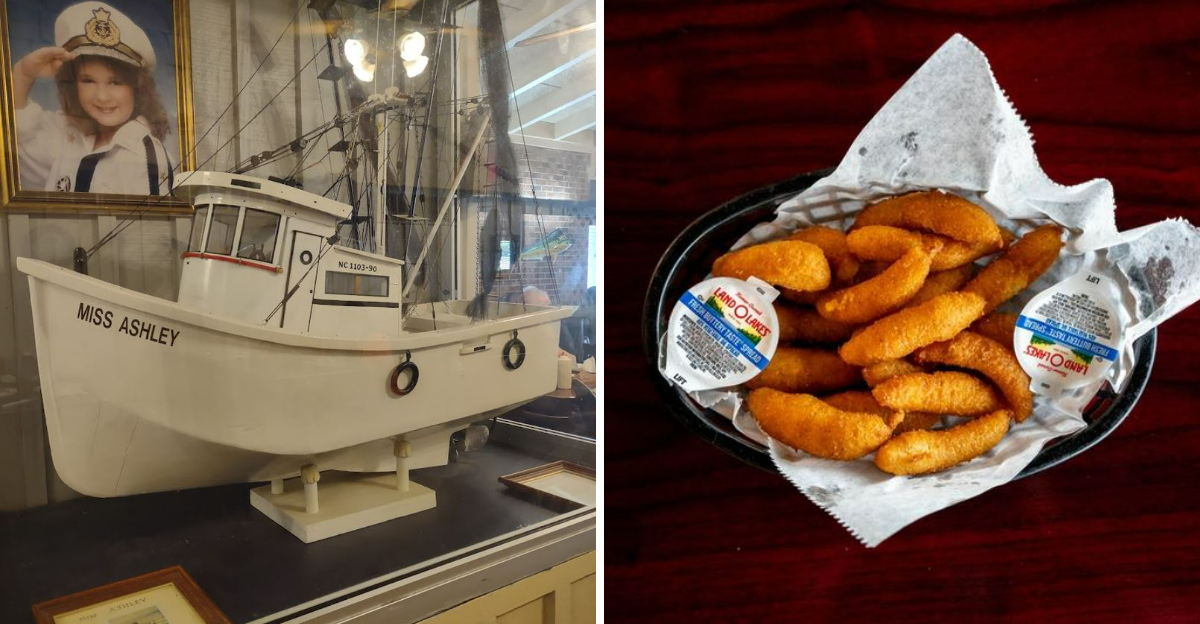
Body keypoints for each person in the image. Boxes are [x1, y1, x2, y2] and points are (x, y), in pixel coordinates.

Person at [12, 3, 173, 195]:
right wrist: (22, 75)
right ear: (72, 86)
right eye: (88, 81)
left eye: (116, 82)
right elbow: (15, 149)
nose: (102, 96)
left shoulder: (146, 156)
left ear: (138, 89)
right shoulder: (66, 134)